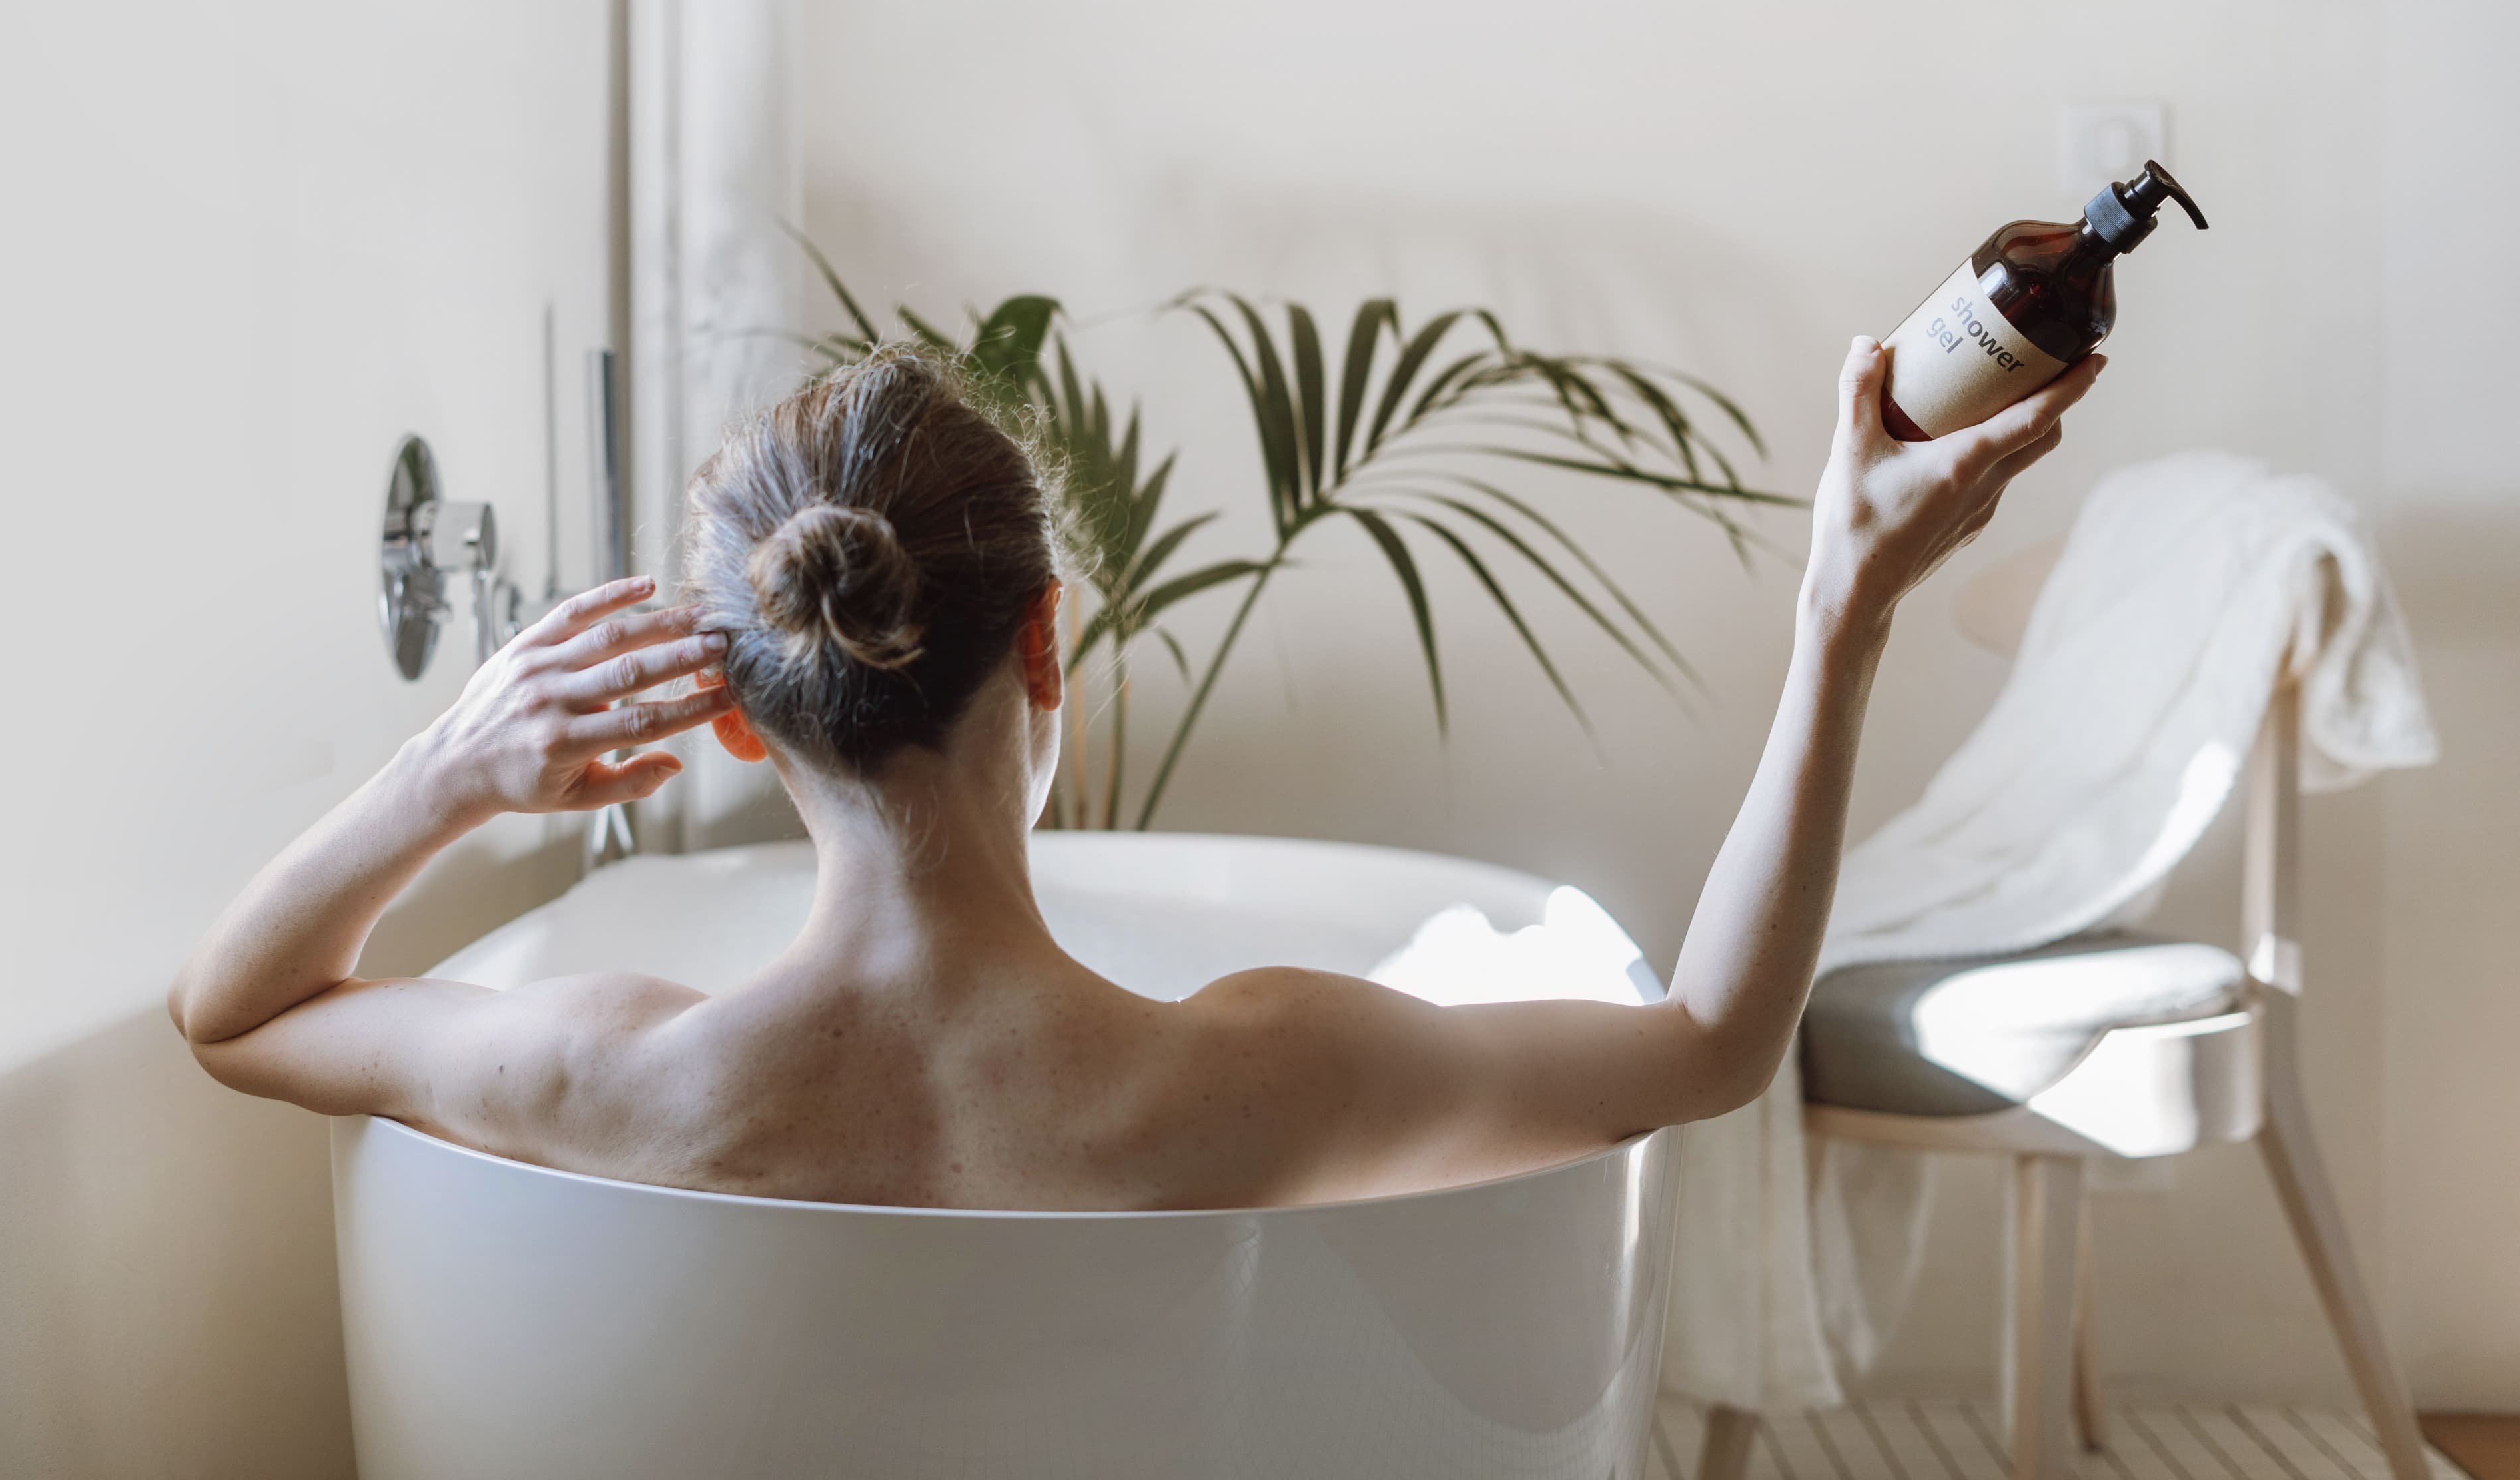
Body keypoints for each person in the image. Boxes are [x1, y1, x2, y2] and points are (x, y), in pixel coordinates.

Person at [170, 336, 2096, 1209]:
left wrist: (447, 772)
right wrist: (1840, 616)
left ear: (743, 721)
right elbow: (1708, 1048)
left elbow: (233, 1011)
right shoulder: (1263, 1075)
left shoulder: (597, 1067)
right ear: (1046, 645)